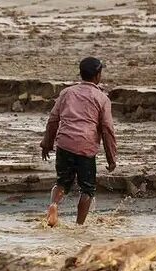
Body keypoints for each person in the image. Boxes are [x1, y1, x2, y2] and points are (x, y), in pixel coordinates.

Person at [40, 57, 118, 227]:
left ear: (81, 74)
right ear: (98, 76)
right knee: (87, 189)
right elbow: (107, 131)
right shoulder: (102, 99)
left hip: (65, 144)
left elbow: (53, 120)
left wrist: (47, 142)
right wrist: (111, 159)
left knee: (62, 182)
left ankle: (53, 205)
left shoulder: (67, 93)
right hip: (86, 147)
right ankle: (79, 226)